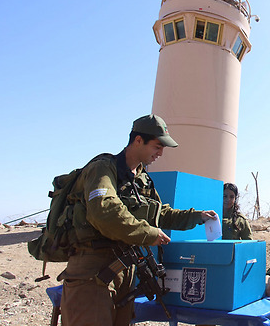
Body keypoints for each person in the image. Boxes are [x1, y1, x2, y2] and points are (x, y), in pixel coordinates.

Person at [58, 114, 218, 326]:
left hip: (124, 270)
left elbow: (160, 214)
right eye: (157, 146)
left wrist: (197, 216)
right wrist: (148, 234)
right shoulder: (103, 168)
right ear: (138, 140)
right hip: (92, 269)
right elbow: (105, 211)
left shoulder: (142, 178)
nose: (160, 153)